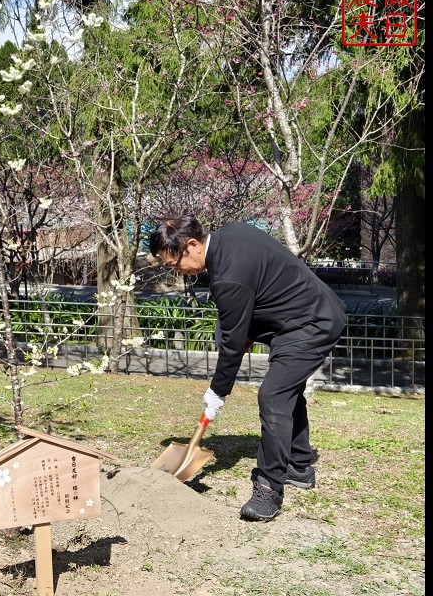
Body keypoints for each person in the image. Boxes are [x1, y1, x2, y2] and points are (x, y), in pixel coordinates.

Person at [148, 216, 346, 522]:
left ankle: (269, 488)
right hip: (302, 316)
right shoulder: (232, 235)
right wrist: (230, 334)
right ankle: (299, 466)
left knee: (273, 395)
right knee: (286, 390)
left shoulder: (228, 276)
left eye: (174, 263)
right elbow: (245, 303)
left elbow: (233, 345)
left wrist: (217, 392)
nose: (176, 271)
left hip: (311, 324)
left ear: (192, 246)